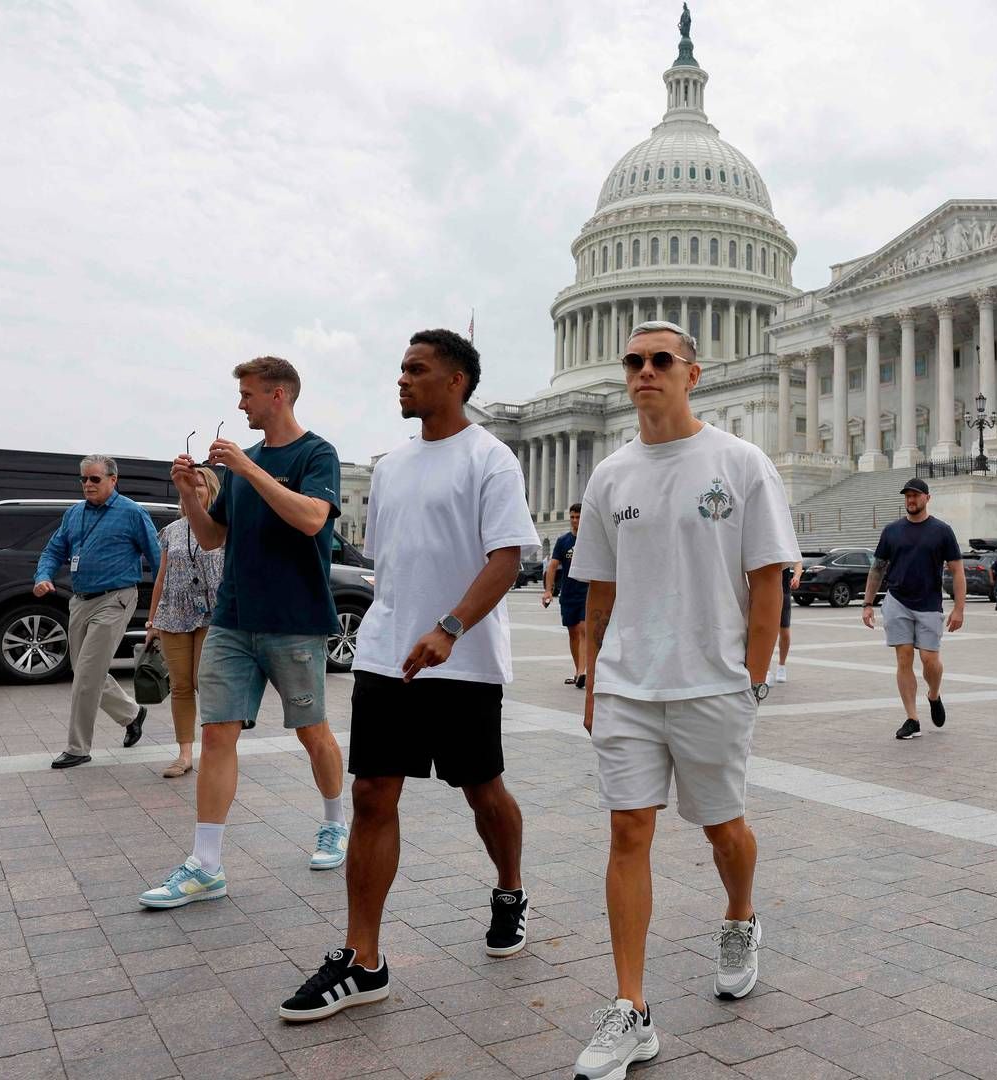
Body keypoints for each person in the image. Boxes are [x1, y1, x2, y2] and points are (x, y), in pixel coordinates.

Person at [279, 330, 540, 1022]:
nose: (401, 380)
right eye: (400, 368)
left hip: (465, 658)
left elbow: (506, 557)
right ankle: (363, 960)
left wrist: (450, 627)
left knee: (482, 792)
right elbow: (390, 566)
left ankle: (510, 888)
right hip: (387, 653)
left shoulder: (492, 459)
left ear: (456, 381)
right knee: (371, 794)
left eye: (416, 370)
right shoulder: (391, 467)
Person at [569, 321, 799, 1079]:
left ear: (692, 374)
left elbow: (768, 580)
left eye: (661, 360)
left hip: (712, 682)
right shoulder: (609, 475)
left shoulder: (740, 463)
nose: (645, 371)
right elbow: (600, 589)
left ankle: (740, 916)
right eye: (633, 361)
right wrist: (595, 677)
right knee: (628, 832)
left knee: (723, 829)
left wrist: (752, 677)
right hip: (631, 682)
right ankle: (630, 1008)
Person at [138, 356, 348, 910]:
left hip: (295, 621)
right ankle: (206, 865)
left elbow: (311, 519)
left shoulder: (315, 453)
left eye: (248, 395)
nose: (240, 405)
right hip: (231, 619)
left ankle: (334, 822)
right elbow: (211, 539)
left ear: (278, 396)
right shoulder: (241, 465)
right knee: (216, 735)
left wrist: (249, 470)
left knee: (312, 731)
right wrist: (189, 493)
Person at [34, 455, 160, 768]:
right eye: (84, 479)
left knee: (87, 675)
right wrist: (43, 576)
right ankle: (132, 714)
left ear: (113, 480)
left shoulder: (132, 512)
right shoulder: (74, 514)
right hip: (80, 600)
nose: (88, 485)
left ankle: (77, 747)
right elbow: (53, 550)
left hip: (115, 599)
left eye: (95, 479)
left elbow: (159, 559)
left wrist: (163, 606)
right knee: (85, 671)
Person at [862, 477, 966, 740]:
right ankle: (912, 718)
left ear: (927, 498)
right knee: (904, 657)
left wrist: (959, 609)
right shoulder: (891, 531)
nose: (911, 500)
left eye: (916, 495)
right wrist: (867, 603)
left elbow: (957, 571)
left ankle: (933, 694)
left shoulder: (942, 531)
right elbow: (877, 568)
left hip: (929, 604)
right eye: (907, 495)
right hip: (897, 601)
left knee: (930, 661)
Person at [145, 465, 225, 777]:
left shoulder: (223, 526)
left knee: (202, 681)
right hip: (173, 614)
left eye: (200, 485)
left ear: (212, 491)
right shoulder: (171, 531)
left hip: (213, 613)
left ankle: (217, 748)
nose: (193, 489)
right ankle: (184, 754)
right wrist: (152, 622)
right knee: (179, 686)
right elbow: (161, 577)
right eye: (188, 485)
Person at [543, 503, 588, 688]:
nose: (575, 520)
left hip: (587, 592)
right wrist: (548, 590)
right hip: (568, 593)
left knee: (584, 630)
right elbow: (552, 566)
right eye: (572, 517)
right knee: (573, 633)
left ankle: (582, 672)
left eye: (578, 517)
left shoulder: (590, 540)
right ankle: (578, 670)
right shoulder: (563, 541)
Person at [774, 558, 803, 683]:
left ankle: (781, 666)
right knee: (765, 632)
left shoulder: (784, 540)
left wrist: (796, 576)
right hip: (763, 591)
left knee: (784, 632)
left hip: (783, 590)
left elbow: (797, 561)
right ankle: (765, 671)